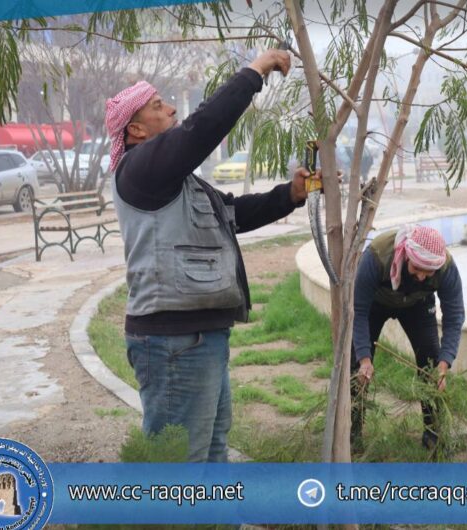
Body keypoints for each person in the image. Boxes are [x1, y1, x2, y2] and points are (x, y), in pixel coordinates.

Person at [105, 49, 313, 463]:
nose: (170, 108)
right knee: (179, 466)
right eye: (157, 105)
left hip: (197, 339)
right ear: (138, 130)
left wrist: (290, 195)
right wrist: (255, 71)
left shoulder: (176, 180)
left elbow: (232, 213)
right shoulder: (141, 168)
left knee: (212, 452)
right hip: (175, 342)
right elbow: (203, 129)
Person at [351, 225, 465, 450]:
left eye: (428, 272)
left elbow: (455, 316)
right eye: (417, 269)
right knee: (356, 368)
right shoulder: (376, 257)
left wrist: (444, 365)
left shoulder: (446, 267)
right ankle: (352, 433)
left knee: (431, 365)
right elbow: (359, 312)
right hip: (375, 303)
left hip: (418, 304)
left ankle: (433, 434)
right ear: (406, 255)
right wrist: (364, 359)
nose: (422, 276)